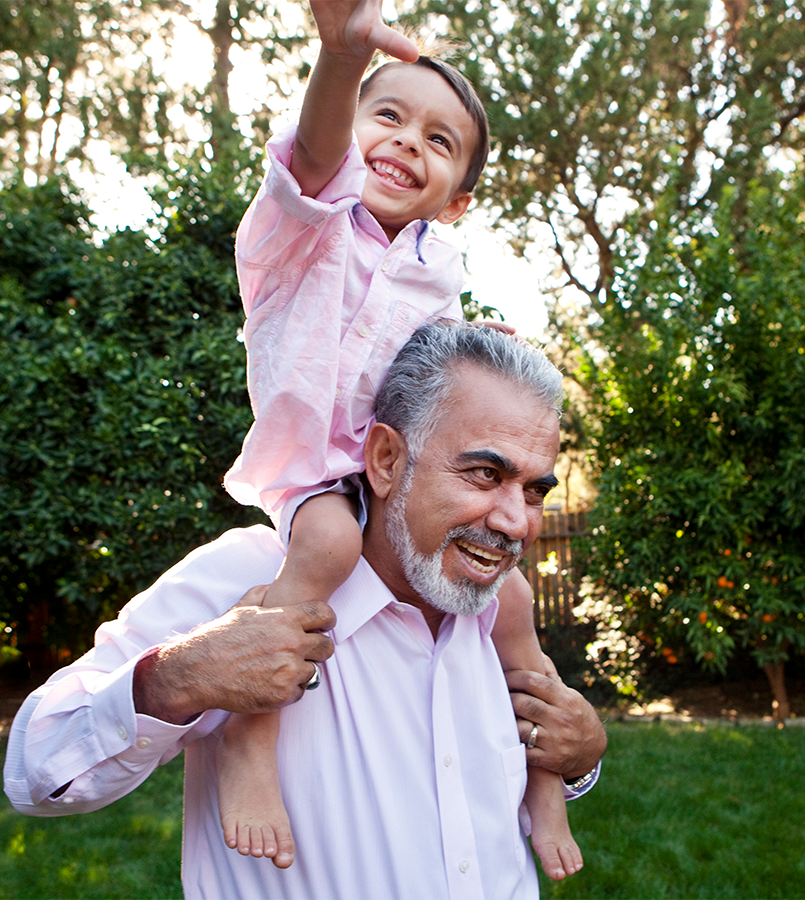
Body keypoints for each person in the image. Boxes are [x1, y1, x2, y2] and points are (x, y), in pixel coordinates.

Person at [3, 321, 607, 900]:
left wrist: (578, 761)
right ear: (387, 460)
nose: (515, 521)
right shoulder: (252, 580)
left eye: (533, 490)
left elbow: (495, 795)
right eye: (484, 473)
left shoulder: (502, 615)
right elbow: (37, 771)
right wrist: (178, 676)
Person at [217, 0, 582, 877]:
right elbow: (309, 159)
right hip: (318, 475)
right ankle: (249, 744)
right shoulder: (300, 230)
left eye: (439, 139)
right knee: (329, 544)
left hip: (396, 472)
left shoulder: (437, 275)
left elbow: (454, 379)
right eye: (389, 116)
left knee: (520, 608)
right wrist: (339, 62)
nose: (408, 141)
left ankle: (547, 785)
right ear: (351, 131)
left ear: (456, 201)